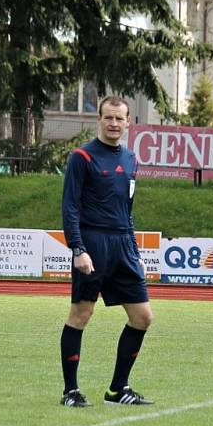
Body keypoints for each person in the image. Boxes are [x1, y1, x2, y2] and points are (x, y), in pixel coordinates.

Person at [59, 95, 154, 407]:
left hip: (123, 246)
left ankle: (117, 390)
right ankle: (70, 391)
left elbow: (127, 210)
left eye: (119, 119)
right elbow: (70, 206)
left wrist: (134, 251)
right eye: (108, 118)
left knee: (142, 317)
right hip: (93, 243)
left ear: (128, 122)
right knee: (81, 314)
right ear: (98, 120)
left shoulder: (130, 160)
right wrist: (78, 248)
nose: (114, 124)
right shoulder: (81, 157)